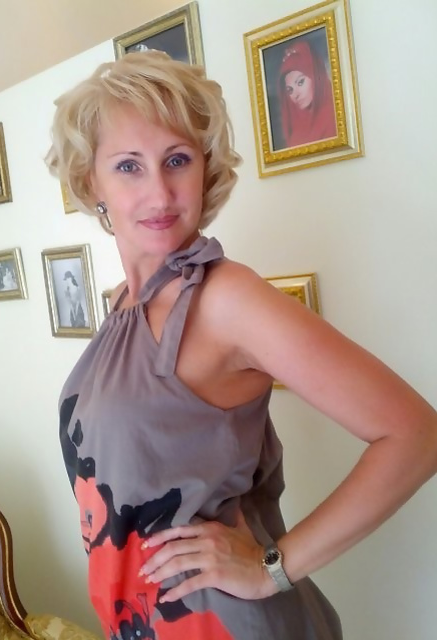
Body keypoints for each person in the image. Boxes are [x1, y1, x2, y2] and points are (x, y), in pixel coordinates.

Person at [45, 51, 437, 640]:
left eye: (177, 160)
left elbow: (416, 434)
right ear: (90, 181)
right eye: (128, 166)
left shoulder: (225, 299)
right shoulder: (125, 305)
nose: (159, 193)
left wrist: (270, 568)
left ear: (204, 168)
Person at [278, 39, 337, 148]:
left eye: (300, 82)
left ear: (315, 77)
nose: (296, 95)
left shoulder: (335, 117)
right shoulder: (296, 129)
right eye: (290, 90)